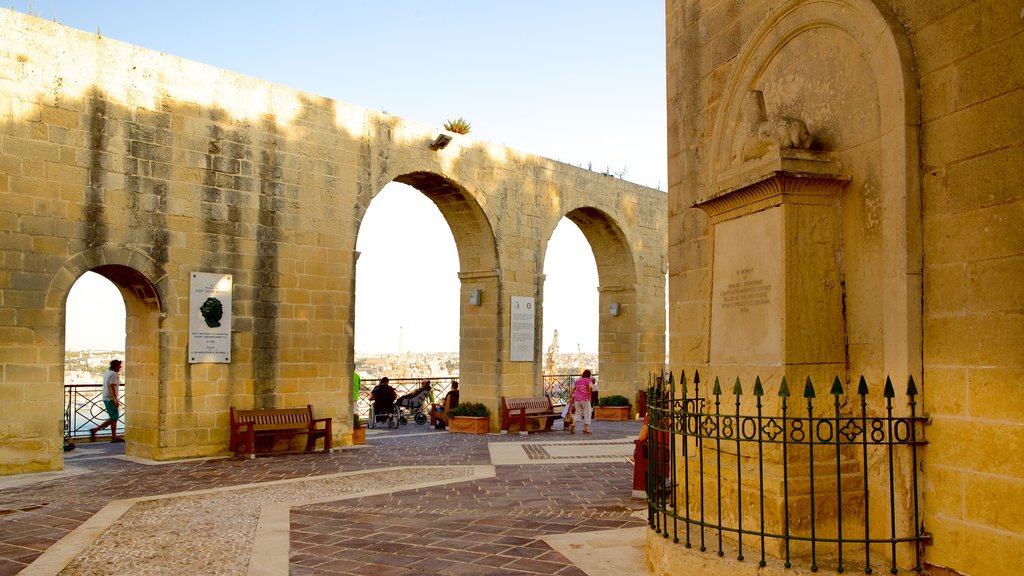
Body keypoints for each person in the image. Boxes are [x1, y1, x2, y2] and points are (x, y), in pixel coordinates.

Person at [90, 359, 124, 443]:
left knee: (114, 418)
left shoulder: (107, 373)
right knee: (114, 417)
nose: (120, 367)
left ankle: (114, 436)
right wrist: (116, 399)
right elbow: (112, 386)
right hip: (110, 398)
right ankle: (95, 430)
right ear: (116, 366)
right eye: (119, 366)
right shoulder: (114, 374)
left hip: (106, 397)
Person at [569, 369, 594, 434]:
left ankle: (573, 424)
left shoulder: (578, 381)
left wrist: (570, 397)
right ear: (589, 375)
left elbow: (572, 389)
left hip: (577, 399)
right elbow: (591, 387)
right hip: (585, 399)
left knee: (578, 412)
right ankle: (585, 428)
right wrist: (590, 394)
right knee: (588, 413)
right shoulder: (589, 380)